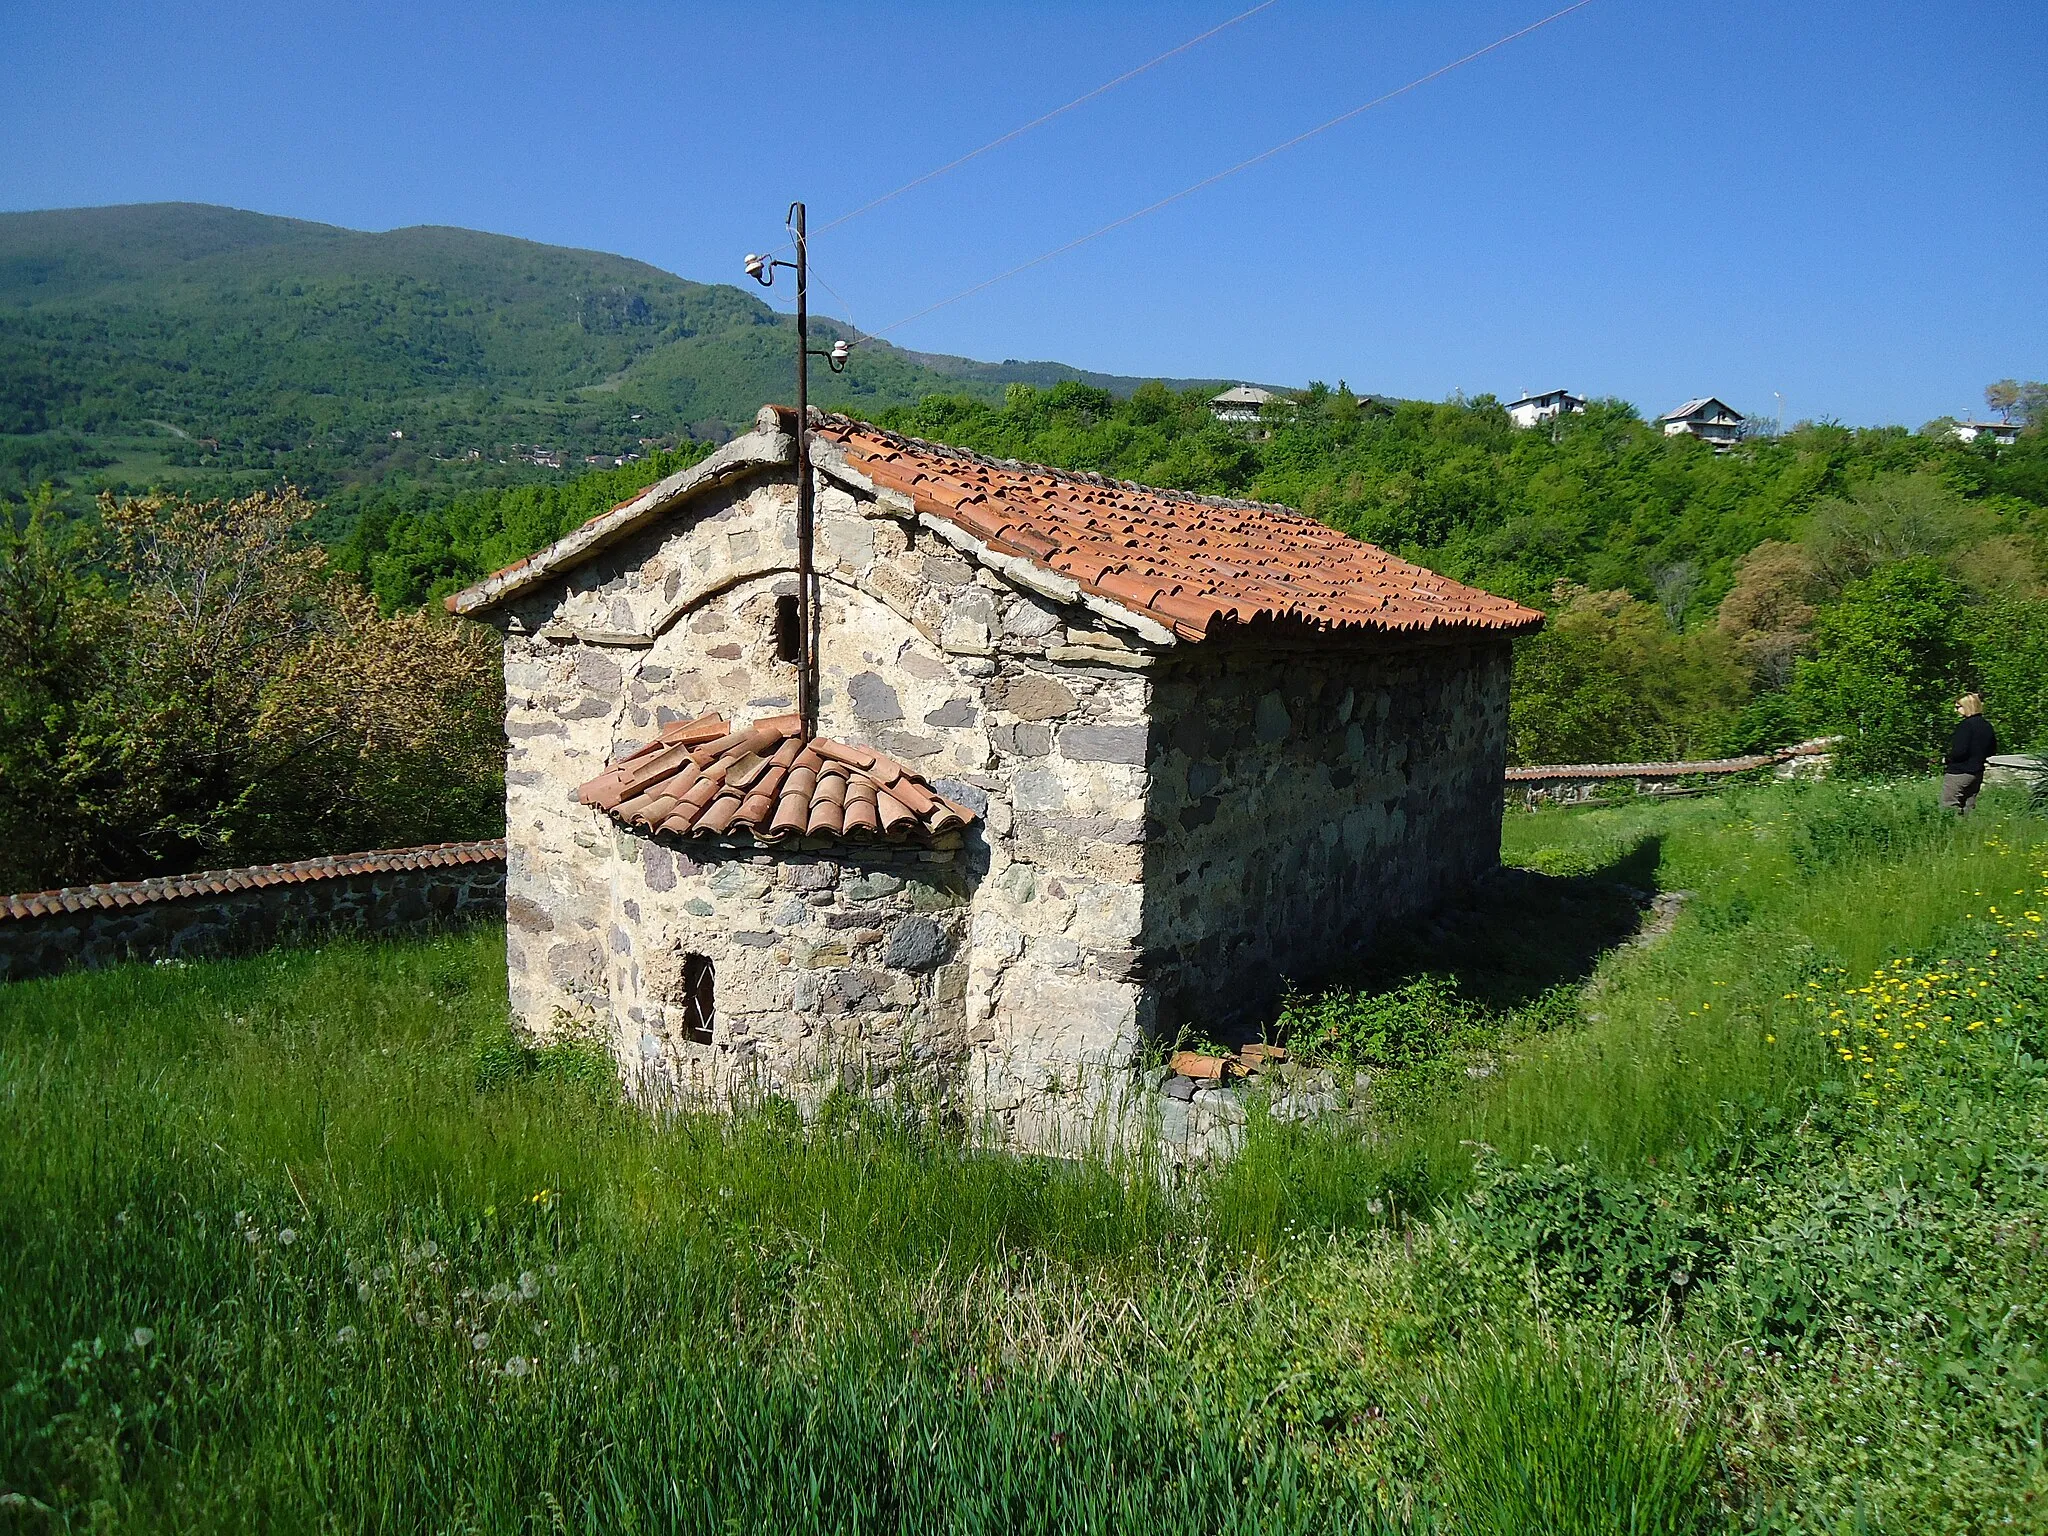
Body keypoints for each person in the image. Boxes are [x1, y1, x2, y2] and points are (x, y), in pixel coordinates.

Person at [1941, 694, 1997, 816]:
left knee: (1949, 805)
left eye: (1958, 707)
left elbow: (1959, 751)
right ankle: (1968, 831)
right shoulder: (1986, 725)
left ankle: (1952, 832)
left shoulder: (1966, 726)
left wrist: (1947, 759)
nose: (1955, 710)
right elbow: (1992, 750)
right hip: (1977, 772)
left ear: (1967, 706)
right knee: (1969, 807)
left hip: (1959, 772)